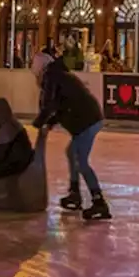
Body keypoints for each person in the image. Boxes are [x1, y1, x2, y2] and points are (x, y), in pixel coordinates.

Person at [32, 51, 111, 220]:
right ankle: (74, 193)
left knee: (80, 160)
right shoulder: (57, 75)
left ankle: (99, 202)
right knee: (71, 153)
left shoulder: (51, 77)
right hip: (87, 118)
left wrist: (40, 122)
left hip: (87, 120)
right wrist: (49, 123)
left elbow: (50, 104)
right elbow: (60, 105)